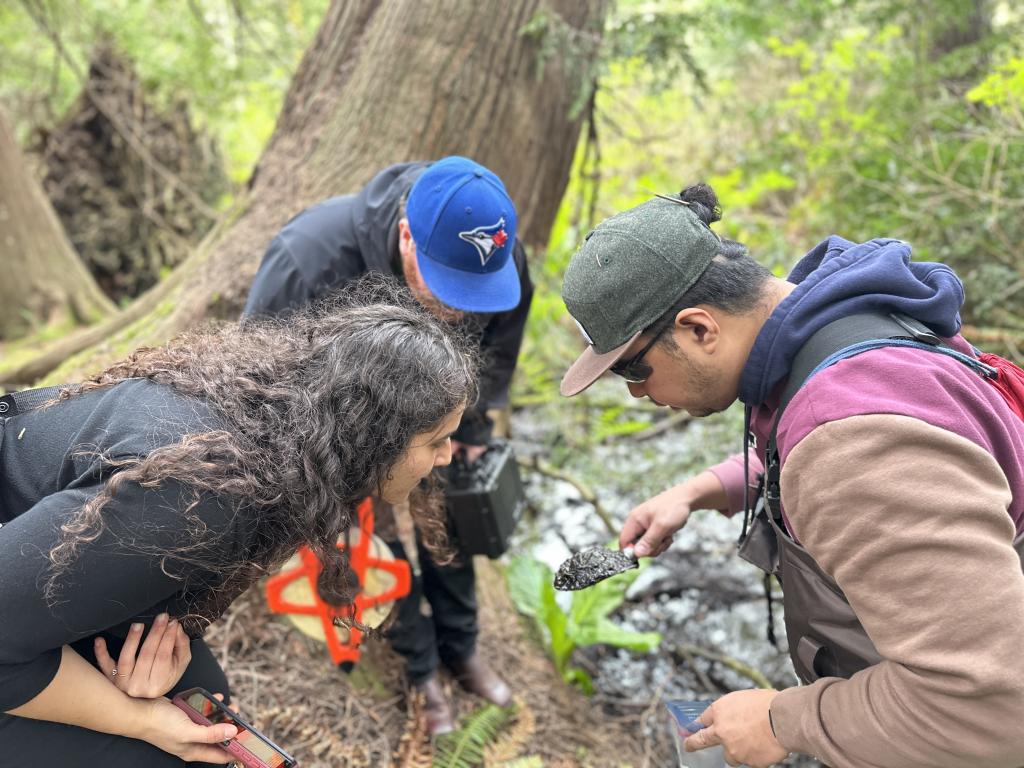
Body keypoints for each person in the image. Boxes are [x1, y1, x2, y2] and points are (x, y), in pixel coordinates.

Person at [558, 184, 1024, 768]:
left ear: (700, 329)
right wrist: (702, 490)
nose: (635, 391)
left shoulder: (852, 448)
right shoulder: (844, 328)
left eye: (633, 366)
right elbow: (837, 448)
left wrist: (782, 721)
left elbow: (987, 712)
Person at [0, 278, 478, 767]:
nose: (445, 457)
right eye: (436, 440)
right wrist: (139, 720)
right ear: (376, 439)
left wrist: (155, 656)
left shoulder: (277, 435)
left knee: (206, 698)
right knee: (173, 756)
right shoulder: (193, 501)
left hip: (32, 571)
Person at [243, 156, 530, 733]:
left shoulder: (494, 255)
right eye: (447, 288)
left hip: (440, 420)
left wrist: (471, 431)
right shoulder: (310, 260)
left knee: (452, 524)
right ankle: (417, 668)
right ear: (406, 235)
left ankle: (462, 645)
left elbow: (498, 343)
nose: (460, 309)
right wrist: (319, 482)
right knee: (370, 550)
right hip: (343, 441)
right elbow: (255, 379)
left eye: (475, 294)